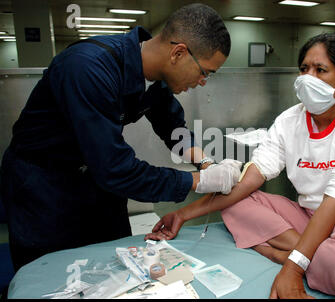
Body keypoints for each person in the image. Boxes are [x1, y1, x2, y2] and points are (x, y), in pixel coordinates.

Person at [146, 33, 335, 299]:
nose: (307, 78)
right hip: (308, 216)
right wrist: (184, 215)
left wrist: (292, 268)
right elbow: (248, 181)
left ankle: (283, 251)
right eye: (304, 69)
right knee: (236, 199)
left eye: (320, 70)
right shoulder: (289, 120)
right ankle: (314, 250)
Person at [0, 3, 242, 272]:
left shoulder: (157, 76)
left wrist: (206, 164)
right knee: (51, 274)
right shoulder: (88, 68)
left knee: (118, 263)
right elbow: (116, 168)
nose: (202, 82)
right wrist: (200, 181)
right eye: (204, 72)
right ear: (178, 53)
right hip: (43, 184)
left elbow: (174, 130)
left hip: (93, 178)